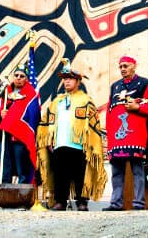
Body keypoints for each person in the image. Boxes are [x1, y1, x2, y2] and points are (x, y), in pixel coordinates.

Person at [37, 59, 107, 211]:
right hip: (59, 144)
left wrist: (90, 143)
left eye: (70, 79)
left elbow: (94, 123)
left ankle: (82, 202)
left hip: (79, 144)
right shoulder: (57, 102)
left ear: (78, 82)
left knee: (80, 174)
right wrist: (49, 138)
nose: (66, 81)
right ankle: (60, 201)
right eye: (64, 79)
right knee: (60, 174)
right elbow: (48, 122)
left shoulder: (86, 101)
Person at [103, 55, 148, 211]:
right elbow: (109, 111)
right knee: (116, 172)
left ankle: (139, 203)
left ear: (134, 66)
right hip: (117, 137)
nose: (122, 69)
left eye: (125, 66)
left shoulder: (143, 84)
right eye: (120, 66)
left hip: (135, 135)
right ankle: (116, 203)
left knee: (137, 170)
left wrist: (138, 107)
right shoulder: (115, 86)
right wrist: (109, 134)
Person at [0, 64, 40, 188]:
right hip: (4, 137)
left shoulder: (31, 96)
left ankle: (23, 193)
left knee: (21, 166)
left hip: (19, 138)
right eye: (16, 75)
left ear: (26, 79)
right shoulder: (5, 94)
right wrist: (1, 115)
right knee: (4, 166)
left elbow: (32, 115)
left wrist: (11, 117)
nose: (18, 78)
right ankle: (5, 193)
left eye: (22, 76)